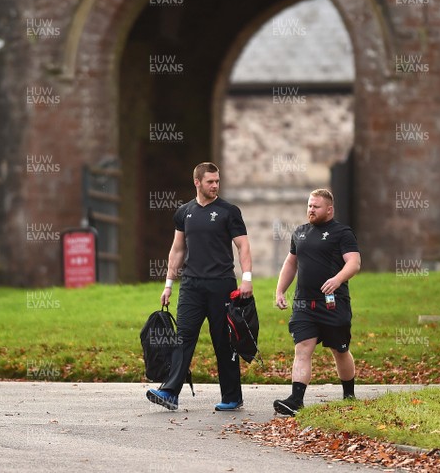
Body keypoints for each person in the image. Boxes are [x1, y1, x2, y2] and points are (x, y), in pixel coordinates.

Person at [146, 162, 253, 411]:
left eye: (217, 181)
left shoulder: (229, 211)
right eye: (210, 182)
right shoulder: (184, 212)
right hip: (191, 287)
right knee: (182, 338)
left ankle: (232, 397)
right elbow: (177, 249)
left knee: (223, 342)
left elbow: (243, 246)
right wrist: (168, 284)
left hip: (222, 286)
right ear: (197, 182)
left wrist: (246, 277)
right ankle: (169, 392)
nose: (215, 186)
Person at [273, 188, 361, 416]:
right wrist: (280, 290)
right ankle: (295, 400)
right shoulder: (300, 232)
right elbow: (290, 263)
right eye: (309, 206)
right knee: (302, 349)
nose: (310, 210)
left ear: (329, 209)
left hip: (333, 304)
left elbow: (354, 263)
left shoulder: (342, 233)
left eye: (316, 207)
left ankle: (349, 395)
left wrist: (337, 279)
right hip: (304, 304)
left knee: (339, 350)